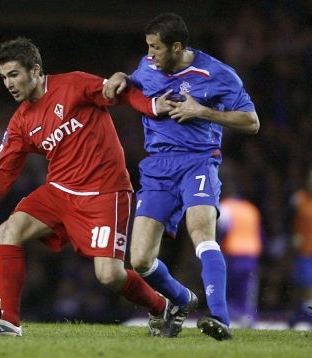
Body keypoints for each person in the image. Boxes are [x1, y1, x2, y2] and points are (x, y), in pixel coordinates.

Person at [0, 37, 171, 336]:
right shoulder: (20, 123)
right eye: (3, 78)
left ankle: (160, 306)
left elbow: (121, 91)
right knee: (9, 230)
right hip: (60, 192)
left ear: (35, 70)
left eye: (14, 74)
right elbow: (1, 175)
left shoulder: (74, 84)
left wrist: (152, 106)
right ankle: (10, 321)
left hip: (105, 192)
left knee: (109, 276)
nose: (9, 84)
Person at [103, 13, 260, 340]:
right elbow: (134, 81)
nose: (150, 54)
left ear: (177, 46)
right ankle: (180, 299)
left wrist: (202, 111)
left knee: (201, 232)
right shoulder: (148, 64)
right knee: (141, 259)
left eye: (156, 48)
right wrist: (121, 76)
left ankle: (220, 318)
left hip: (198, 161)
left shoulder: (216, 74)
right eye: (148, 47)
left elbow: (251, 121)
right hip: (158, 166)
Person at [217, 183, 263, 328]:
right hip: (251, 255)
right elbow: (260, 234)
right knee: (247, 292)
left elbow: (220, 231)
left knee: (229, 291)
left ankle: (227, 318)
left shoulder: (224, 207)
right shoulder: (251, 209)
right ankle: (248, 318)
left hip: (232, 255)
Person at [288, 166, 312, 327]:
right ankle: (294, 319)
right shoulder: (298, 199)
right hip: (304, 252)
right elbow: (287, 220)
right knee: (302, 288)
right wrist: (292, 235)